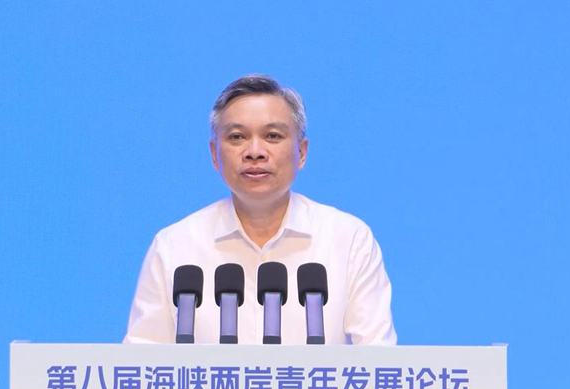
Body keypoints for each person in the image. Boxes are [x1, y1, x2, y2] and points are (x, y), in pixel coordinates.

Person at [123, 74, 396, 345]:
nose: (255, 151)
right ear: (214, 154)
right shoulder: (174, 247)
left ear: (302, 152)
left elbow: (379, 358)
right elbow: (139, 360)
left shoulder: (349, 240)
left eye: (272, 136)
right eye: (237, 136)